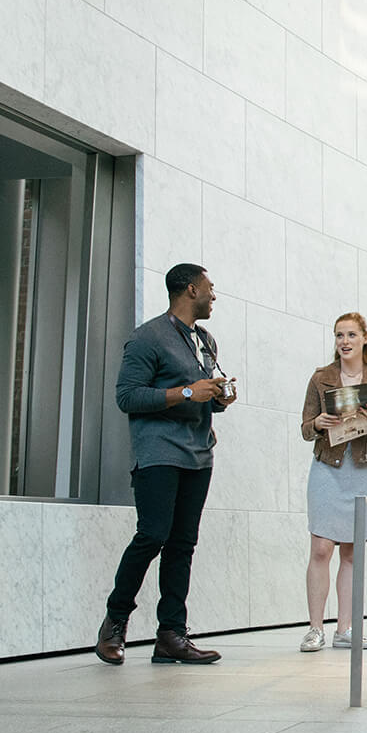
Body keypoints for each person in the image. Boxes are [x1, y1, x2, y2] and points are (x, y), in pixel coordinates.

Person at [94, 263, 237, 667]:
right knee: (152, 535)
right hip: (158, 453)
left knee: (182, 546)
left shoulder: (205, 340)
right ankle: (115, 623)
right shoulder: (147, 337)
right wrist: (187, 391)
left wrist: (216, 399)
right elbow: (127, 398)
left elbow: (199, 397)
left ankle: (171, 635)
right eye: (210, 288)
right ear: (190, 290)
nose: (214, 295)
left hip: (198, 455)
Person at [298, 313, 367, 652]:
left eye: (351, 334)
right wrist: (318, 423)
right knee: (321, 548)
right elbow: (305, 426)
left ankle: (345, 630)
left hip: (363, 469)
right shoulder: (321, 377)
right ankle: (314, 629)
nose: (344, 341)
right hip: (327, 467)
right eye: (339, 335)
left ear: (365, 338)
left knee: (352, 552)